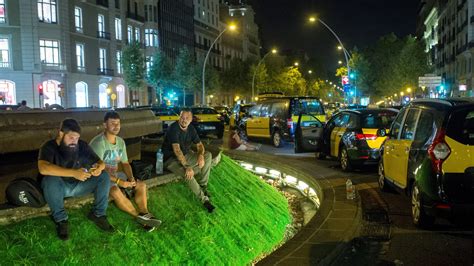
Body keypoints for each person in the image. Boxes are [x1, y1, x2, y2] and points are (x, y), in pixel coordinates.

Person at [38, 118, 114, 240]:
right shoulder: (49, 146)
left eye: (77, 138)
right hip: (59, 188)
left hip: (80, 184)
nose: (75, 141)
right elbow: (43, 168)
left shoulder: (82, 145)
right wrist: (73, 173)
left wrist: (99, 168)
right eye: (71, 137)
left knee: (104, 176)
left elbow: (100, 162)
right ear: (61, 133)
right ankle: (61, 220)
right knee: (50, 179)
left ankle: (98, 214)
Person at [90, 111, 161, 232]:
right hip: (100, 178)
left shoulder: (120, 142)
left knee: (141, 185)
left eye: (118, 123)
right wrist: (120, 182)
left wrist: (130, 177)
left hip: (115, 175)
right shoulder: (99, 143)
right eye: (112, 123)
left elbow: (125, 163)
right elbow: (98, 171)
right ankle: (137, 216)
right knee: (115, 190)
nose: (116, 126)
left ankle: (145, 213)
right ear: (105, 125)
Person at [162, 108, 215, 213]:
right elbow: (176, 150)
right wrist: (187, 166)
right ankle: (204, 200)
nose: (184, 120)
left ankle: (203, 185)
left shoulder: (191, 129)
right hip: (170, 159)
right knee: (188, 174)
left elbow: (200, 145)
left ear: (191, 119)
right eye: (182, 117)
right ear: (179, 117)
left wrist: (200, 155)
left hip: (185, 155)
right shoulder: (174, 128)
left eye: (187, 118)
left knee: (207, 155)